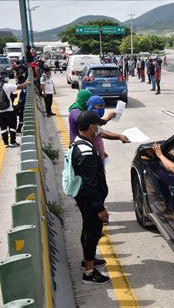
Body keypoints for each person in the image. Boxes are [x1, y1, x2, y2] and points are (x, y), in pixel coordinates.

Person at [71, 110, 110, 285]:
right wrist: (100, 208)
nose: (99, 129)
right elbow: (90, 184)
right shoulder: (86, 151)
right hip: (89, 200)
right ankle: (89, 272)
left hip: (85, 198)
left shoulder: (80, 142)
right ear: (92, 126)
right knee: (92, 233)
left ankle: (89, 259)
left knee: (88, 229)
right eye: (98, 125)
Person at [0, 74, 30, 148]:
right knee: (12, 125)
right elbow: (19, 87)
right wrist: (26, 83)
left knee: (3, 127)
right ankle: (12, 142)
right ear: (0, 79)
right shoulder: (6, 86)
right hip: (9, 110)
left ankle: (6, 143)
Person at [86, 95, 130, 162]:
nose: (102, 108)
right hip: (92, 158)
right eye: (100, 106)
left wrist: (102, 151)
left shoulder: (93, 119)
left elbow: (99, 130)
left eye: (103, 106)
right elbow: (101, 133)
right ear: (92, 106)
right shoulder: (88, 119)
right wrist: (119, 136)